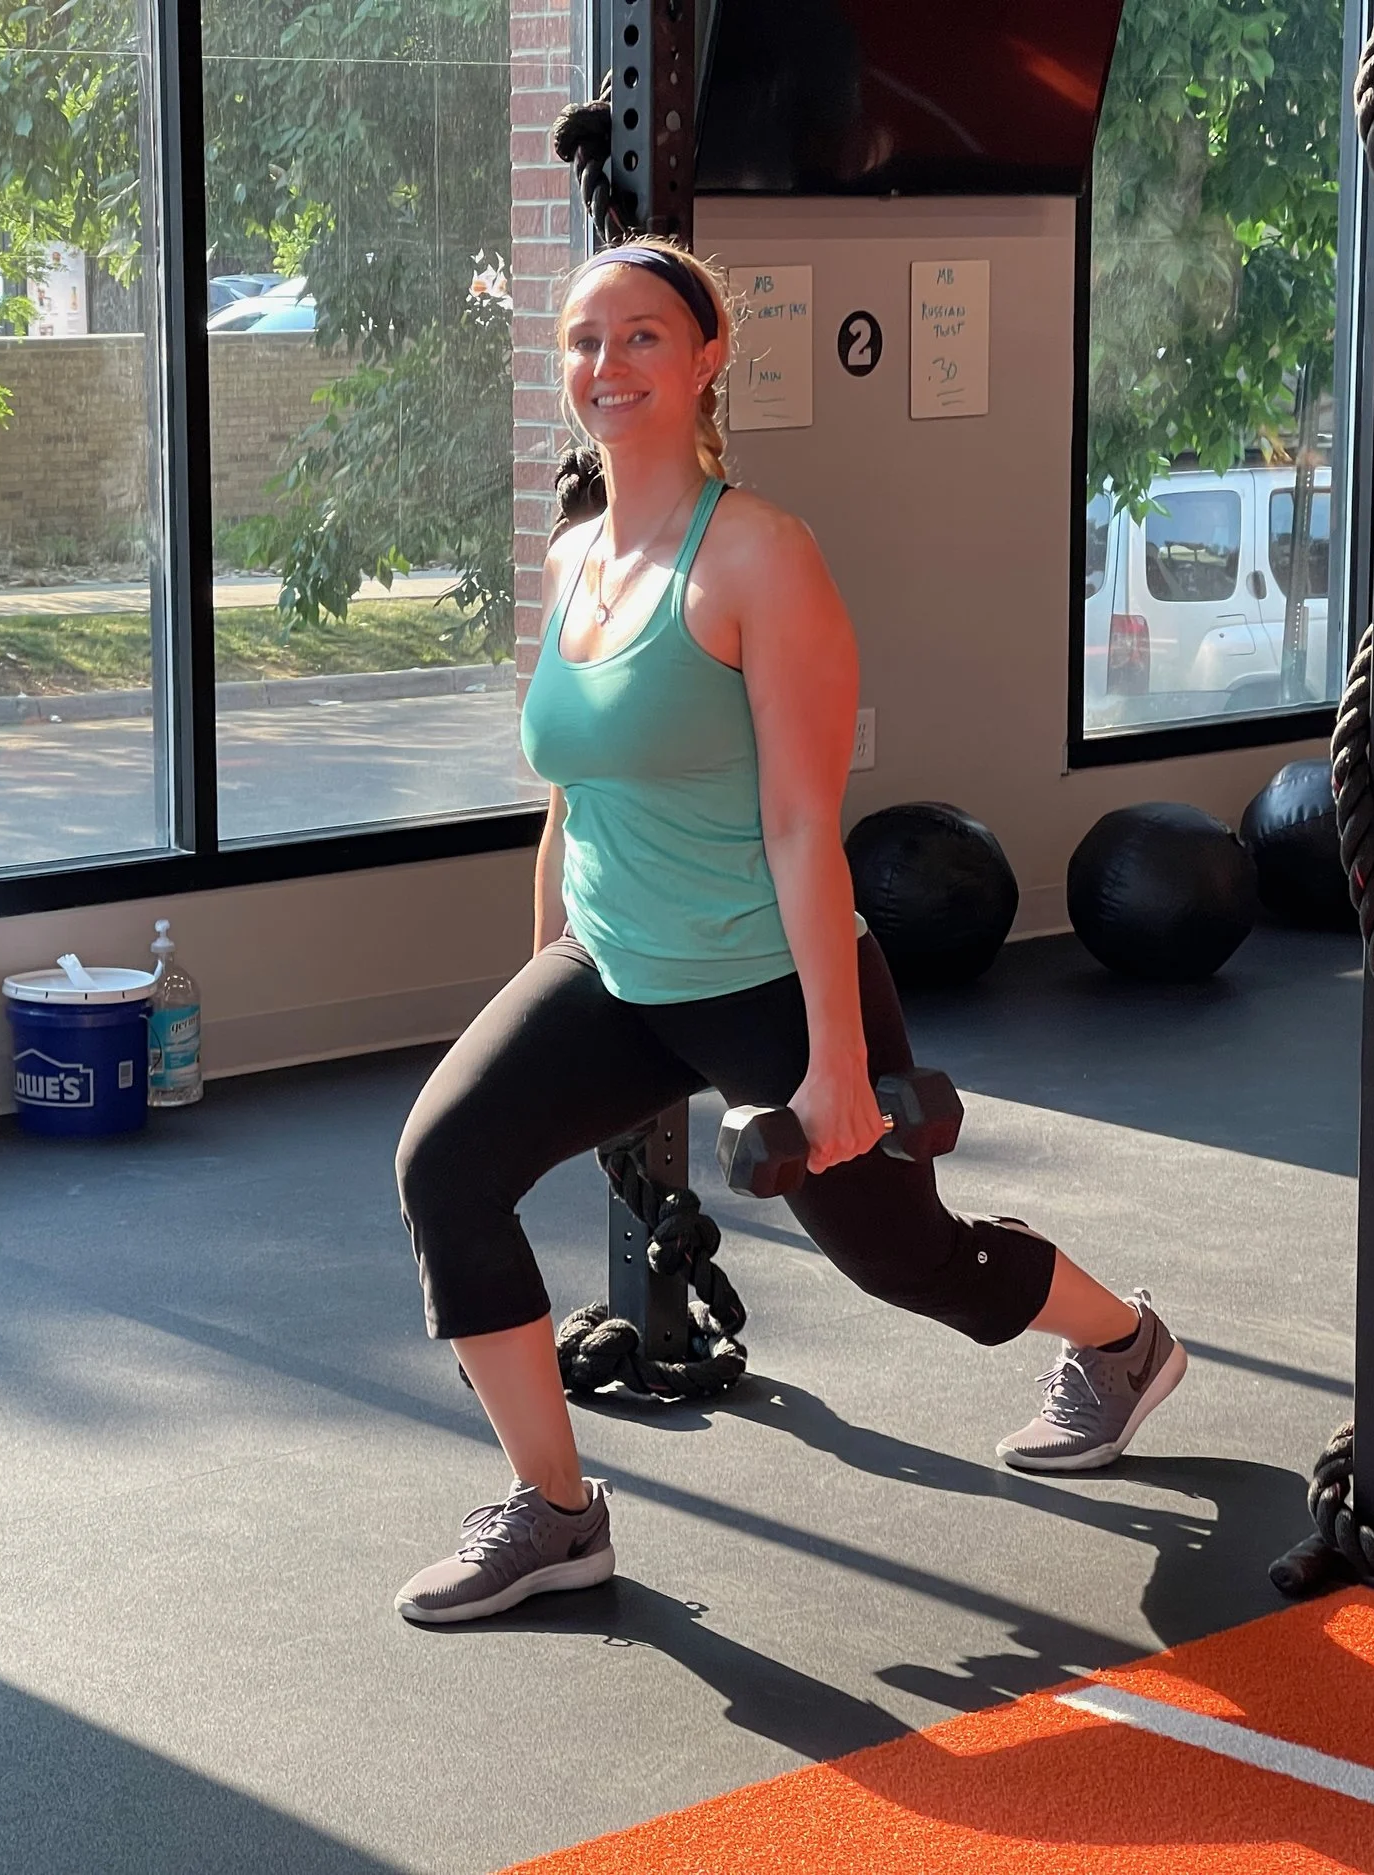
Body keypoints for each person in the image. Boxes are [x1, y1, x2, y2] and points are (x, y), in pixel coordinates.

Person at [389, 239, 1187, 1626]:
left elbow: (804, 830)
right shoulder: (576, 552)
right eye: (585, 340)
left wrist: (830, 1067)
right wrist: (540, 976)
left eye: (642, 337)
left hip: (769, 973)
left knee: (903, 1259)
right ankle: (557, 1509)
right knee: (445, 1164)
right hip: (614, 963)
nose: (606, 365)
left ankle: (1123, 1341)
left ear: (705, 361)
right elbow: (570, 797)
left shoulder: (761, 555)